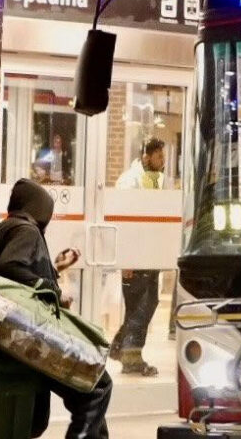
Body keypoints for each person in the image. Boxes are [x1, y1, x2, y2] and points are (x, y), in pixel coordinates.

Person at [0, 178, 112, 439]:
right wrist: (52, 289)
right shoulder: (26, 230)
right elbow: (9, 267)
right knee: (97, 384)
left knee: (90, 389)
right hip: (35, 339)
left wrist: (56, 267)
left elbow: (19, 275)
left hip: (18, 341)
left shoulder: (5, 228)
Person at [110, 138, 165, 376]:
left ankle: (119, 346)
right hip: (135, 257)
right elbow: (124, 222)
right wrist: (126, 259)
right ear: (147, 157)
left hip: (149, 254)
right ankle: (131, 358)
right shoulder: (129, 182)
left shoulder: (154, 181)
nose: (163, 162)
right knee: (139, 306)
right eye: (159, 157)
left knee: (148, 302)